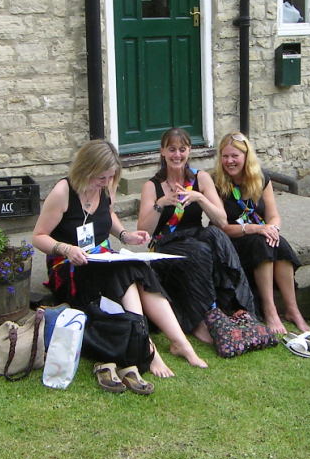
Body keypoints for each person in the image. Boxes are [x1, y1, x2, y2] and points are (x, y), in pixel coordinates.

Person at [32, 139, 207, 377]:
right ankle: (148, 348)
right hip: (69, 265)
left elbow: (108, 214)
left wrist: (126, 235)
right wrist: (66, 249)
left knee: (137, 267)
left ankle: (179, 343)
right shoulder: (63, 192)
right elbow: (39, 236)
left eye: (109, 177)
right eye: (100, 178)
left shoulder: (107, 185)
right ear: (86, 170)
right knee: (124, 271)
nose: (105, 183)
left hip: (100, 258)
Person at [137, 128, 255, 343]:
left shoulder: (201, 178)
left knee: (217, 236)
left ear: (189, 151)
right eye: (172, 149)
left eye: (182, 149)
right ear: (162, 151)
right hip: (166, 244)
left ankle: (240, 307)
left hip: (195, 235)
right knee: (200, 250)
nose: (177, 155)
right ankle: (200, 321)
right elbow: (145, 231)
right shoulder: (151, 186)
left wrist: (199, 197)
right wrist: (160, 204)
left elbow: (221, 220)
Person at [214, 131, 310, 342]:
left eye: (235, 156)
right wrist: (256, 229)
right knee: (263, 243)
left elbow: (273, 215)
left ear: (246, 156)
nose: (229, 161)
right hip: (233, 240)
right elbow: (222, 227)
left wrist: (272, 229)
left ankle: (292, 309)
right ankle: (270, 310)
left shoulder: (261, 179)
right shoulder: (217, 183)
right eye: (225, 156)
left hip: (259, 234)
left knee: (278, 244)